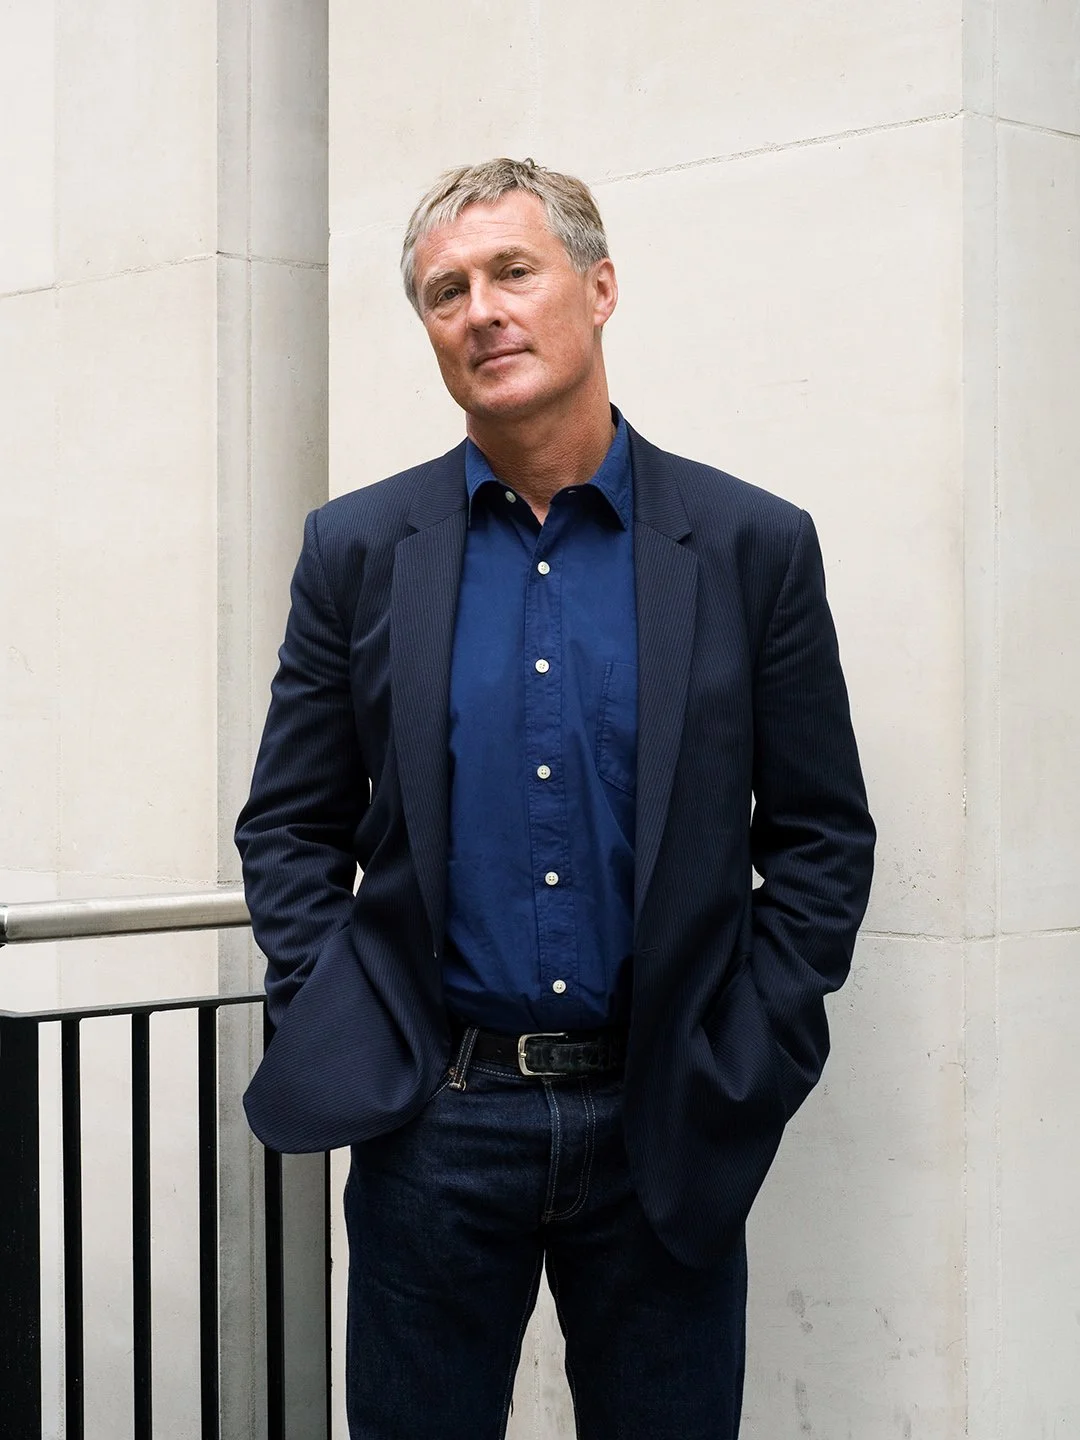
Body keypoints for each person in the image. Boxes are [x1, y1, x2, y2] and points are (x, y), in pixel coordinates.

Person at [236, 157, 875, 1440]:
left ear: (599, 287)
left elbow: (818, 837)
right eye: (444, 292)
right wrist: (347, 1018)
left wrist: (743, 1050)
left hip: (665, 1126)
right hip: (436, 1127)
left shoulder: (752, 545)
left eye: (512, 273)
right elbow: (289, 826)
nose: (480, 310)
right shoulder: (358, 552)